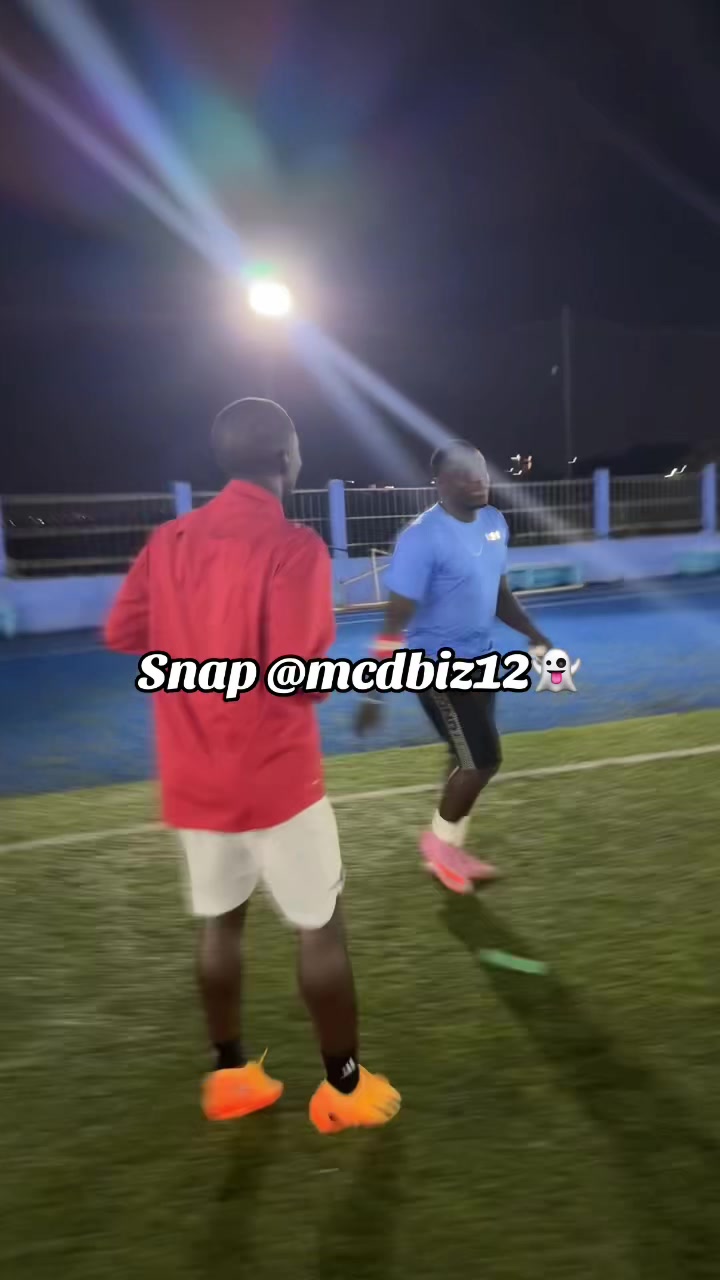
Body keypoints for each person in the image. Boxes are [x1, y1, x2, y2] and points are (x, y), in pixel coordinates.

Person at [105, 398, 400, 1134]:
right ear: (283, 458)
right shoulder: (295, 547)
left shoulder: (169, 540)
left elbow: (124, 632)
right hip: (277, 781)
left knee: (221, 924)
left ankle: (229, 1075)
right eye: (297, 449)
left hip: (195, 777)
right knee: (320, 929)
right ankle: (343, 1088)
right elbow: (300, 676)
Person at [356, 440, 551, 894]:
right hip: (437, 667)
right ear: (441, 483)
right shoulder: (422, 537)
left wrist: (533, 633)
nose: (479, 478)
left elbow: (499, 594)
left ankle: (449, 853)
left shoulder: (494, 523)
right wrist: (373, 691)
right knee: (482, 761)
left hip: (482, 660)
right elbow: (395, 619)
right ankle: (440, 847)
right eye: (464, 472)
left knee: (461, 756)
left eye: (481, 469)